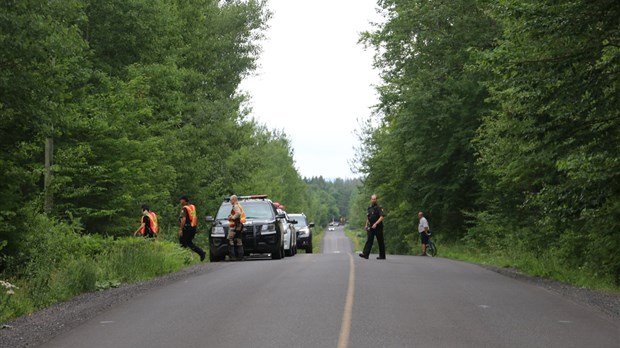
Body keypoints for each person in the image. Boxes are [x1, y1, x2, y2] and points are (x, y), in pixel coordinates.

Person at [179, 196, 206, 261]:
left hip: (187, 228)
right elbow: (194, 217)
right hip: (193, 227)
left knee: (184, 242)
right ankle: (185, 257)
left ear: (184, 201)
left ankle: (200, 253)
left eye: (181, 200)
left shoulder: (184, 208)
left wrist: (181, 229)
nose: (180, 202)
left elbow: (183, 219)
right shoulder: (192, 207)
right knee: (186, 242)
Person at [359, 194, 386, 260]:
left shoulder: (379, 207)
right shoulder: (369, 207)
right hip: (371, 226)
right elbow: (368, 217)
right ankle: (365, 254)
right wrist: (366, 224)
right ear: (370, 200)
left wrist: (376, 223)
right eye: (372, 199)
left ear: (376, 200)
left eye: (374, 199)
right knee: (369, 239)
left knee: (380, 241)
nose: (373, 200)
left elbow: (382, 217)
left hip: (378, 227)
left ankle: (382, 256)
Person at [227, 195, 246, 261]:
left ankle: (232, 256)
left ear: (234, 200)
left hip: (235, 226)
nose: (230, 201)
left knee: (229, 239)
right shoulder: (239, 205)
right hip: (239, 225)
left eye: (231, 200)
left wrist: (232, 217)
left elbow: (238, 213)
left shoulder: (235, 206)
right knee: (238, 240)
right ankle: (240, 256)